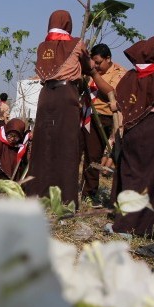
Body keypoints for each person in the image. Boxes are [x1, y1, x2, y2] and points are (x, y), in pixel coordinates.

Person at [107, 35, 154, 238]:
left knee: (132, 175)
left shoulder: (132, 76)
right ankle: (148, 227)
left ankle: (125, 222)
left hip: (133, 130)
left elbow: (119, 102)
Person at [23, 10, 92, 205]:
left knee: (43, 143)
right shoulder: (77, 44)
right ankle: (65, 198)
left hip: (45, 95)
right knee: (67, 145)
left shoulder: (42, 47)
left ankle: (37, 193)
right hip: (66, 95)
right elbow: (87, 65)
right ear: (68, 24)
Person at [81, 43, 127, 207]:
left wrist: (94, 74)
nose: (97, 66)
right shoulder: (89, 72)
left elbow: (111, 92)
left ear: (108, 58)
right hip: (90, 116)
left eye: (99, 63)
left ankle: (116, 196)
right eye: (94, 63)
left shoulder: (120, 73)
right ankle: (88, 192)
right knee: (91, 156)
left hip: (110, 118)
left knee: (115, 157)